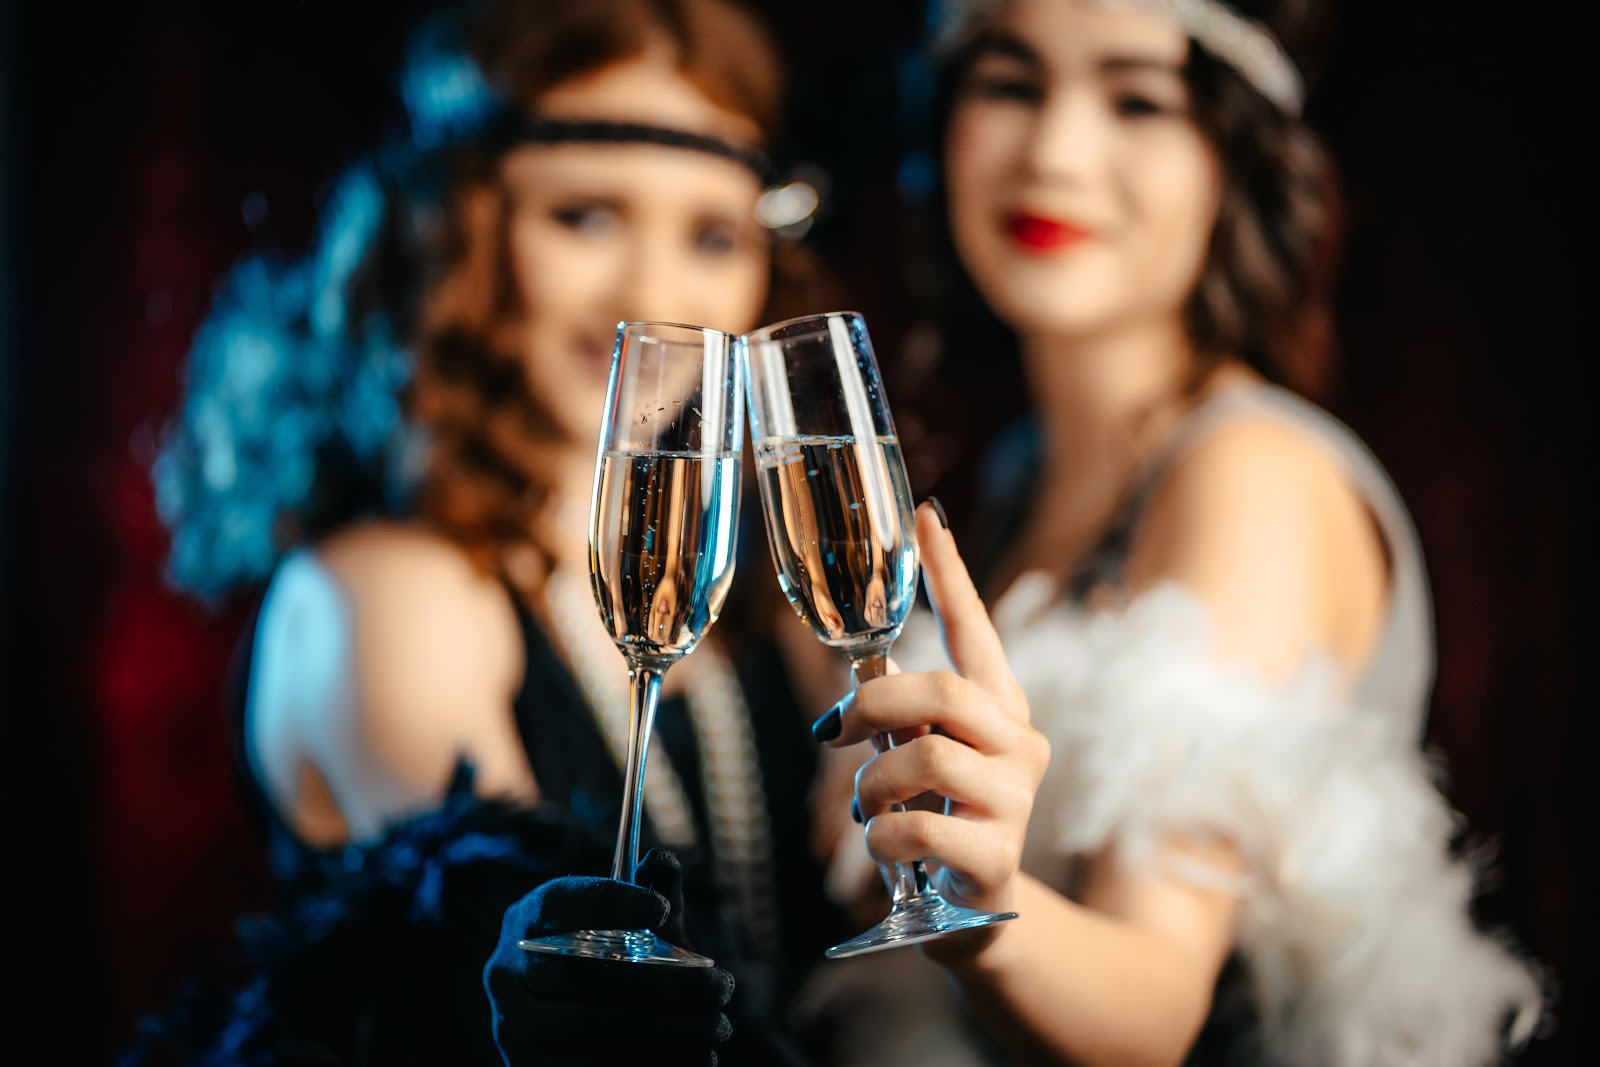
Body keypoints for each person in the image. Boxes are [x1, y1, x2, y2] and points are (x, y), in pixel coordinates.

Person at [799, 1, 1551, 1064]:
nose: (1055, 151)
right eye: (1010, 84)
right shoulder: (1016, 477)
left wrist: (982, 898)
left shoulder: (1248, 474)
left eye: (1137, 98)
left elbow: (1154, 1009)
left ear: (1232, 161)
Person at [124, 1, 852, 1064]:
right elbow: (570, 1003)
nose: (654, 293)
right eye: (585, 216)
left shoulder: (757, 601)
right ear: (459, 229)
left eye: (711, 234)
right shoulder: (387, 594)